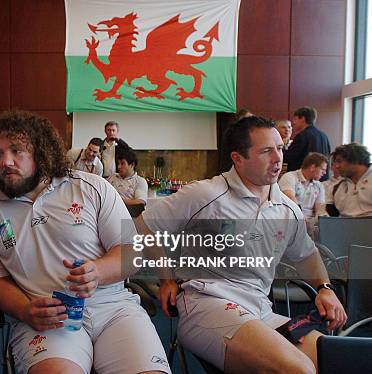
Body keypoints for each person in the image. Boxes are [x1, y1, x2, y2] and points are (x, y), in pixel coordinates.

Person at [135, 116, 346, 373]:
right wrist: (166, 278)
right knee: (298, 369)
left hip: (260, 310)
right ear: (238, 158)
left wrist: (325, 288)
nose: (277, 158)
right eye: (266, 151)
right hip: (207, 305)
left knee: (333, 360)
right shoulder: (206, 194)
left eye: (280, 148)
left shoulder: (287, 208)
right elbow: (145, 225)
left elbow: (305, 254)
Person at [0, 111, 169, 374]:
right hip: (46, 318)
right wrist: (25, 309)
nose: (6, 162)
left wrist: (97, 272)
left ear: (41, 152)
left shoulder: (91, 187)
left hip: (113, 308)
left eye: (17, 151)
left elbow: (132, 253)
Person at [278, 152, 327, 233]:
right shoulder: (289, 177)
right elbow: (290, 200)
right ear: (312, 167)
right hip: (290, 220)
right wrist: (302, 219)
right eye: (323, 170)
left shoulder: (319, 185)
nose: (324, 173)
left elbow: (320, 209)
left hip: (310, 225)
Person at [324, 143, 372, 217]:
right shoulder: (336, 187)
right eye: (335, 162)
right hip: (345, 226)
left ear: (355, 160)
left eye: (339, 161)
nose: (336, 166)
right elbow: (330, 216)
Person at [283, 107, 331, 180]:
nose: (294, 123)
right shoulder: (324, 136)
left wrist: (279, 148)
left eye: (295, 119)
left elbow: (289, 157)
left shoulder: (302, 136)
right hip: (321, 180)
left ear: (302, 118)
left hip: (303, 181)